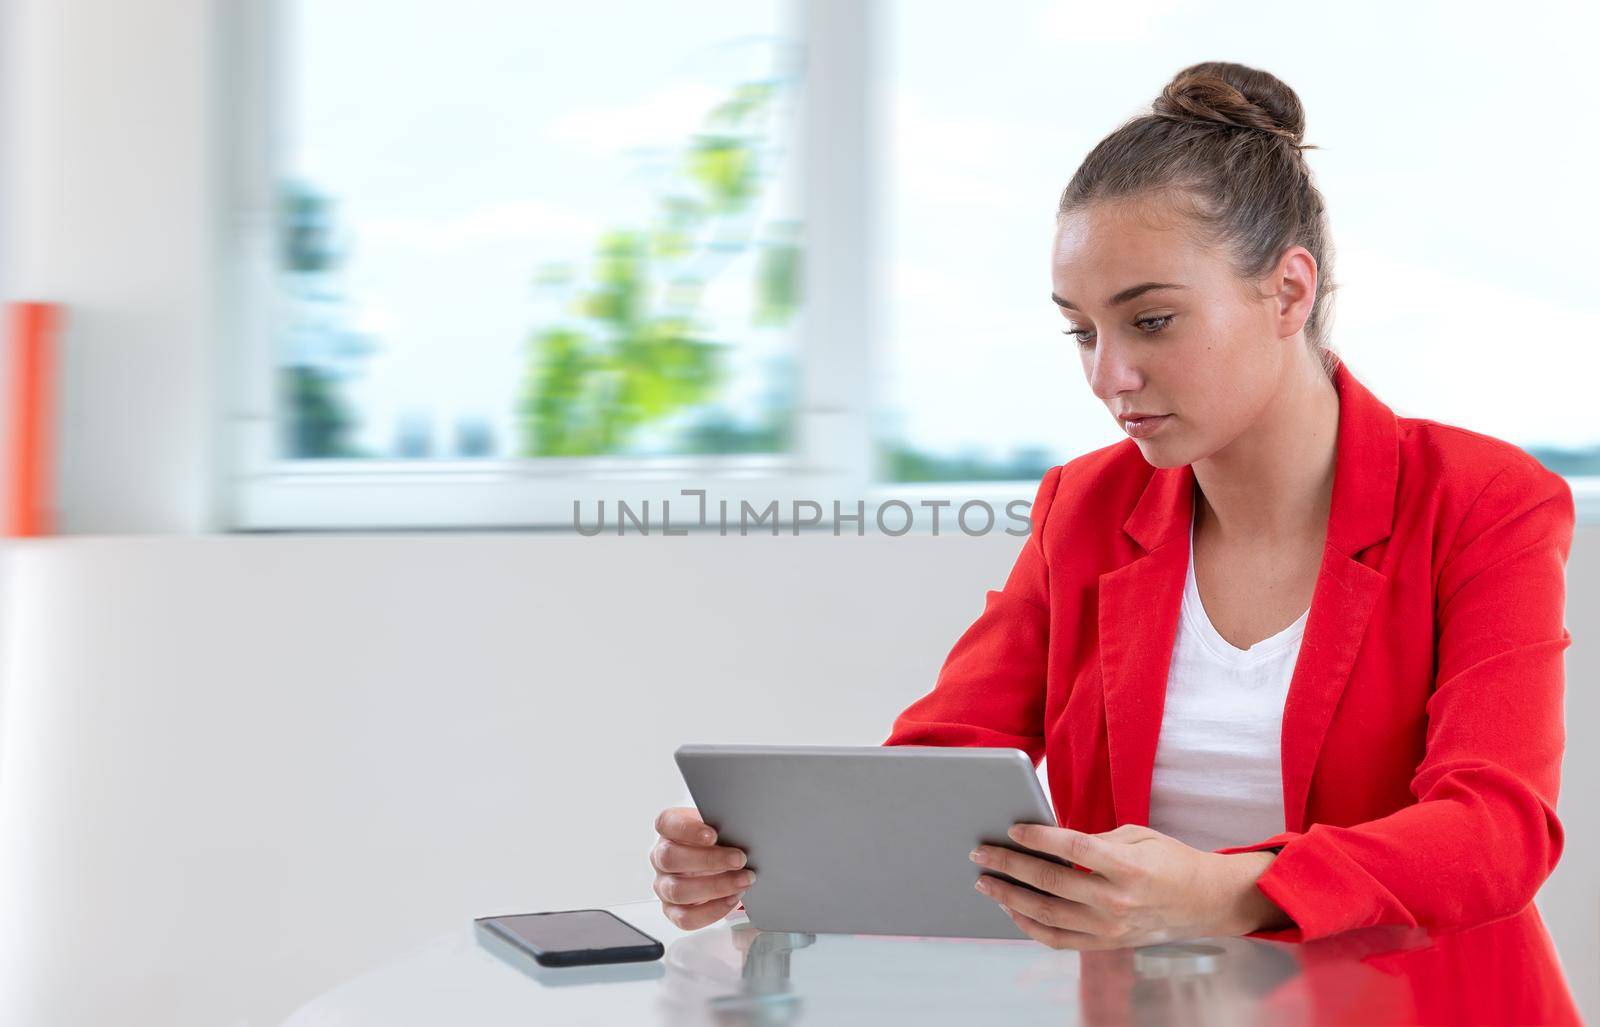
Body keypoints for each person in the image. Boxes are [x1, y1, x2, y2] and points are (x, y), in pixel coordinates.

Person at [647, 61, 1576, 959]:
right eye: (1081, 330)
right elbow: (943, 769)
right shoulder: (1083, 508)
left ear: (1288, 290)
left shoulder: (1482, 501)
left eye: (1152, 320)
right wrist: (768, 852)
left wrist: (1232, 890)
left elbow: (1497, 829)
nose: (1108, 376)